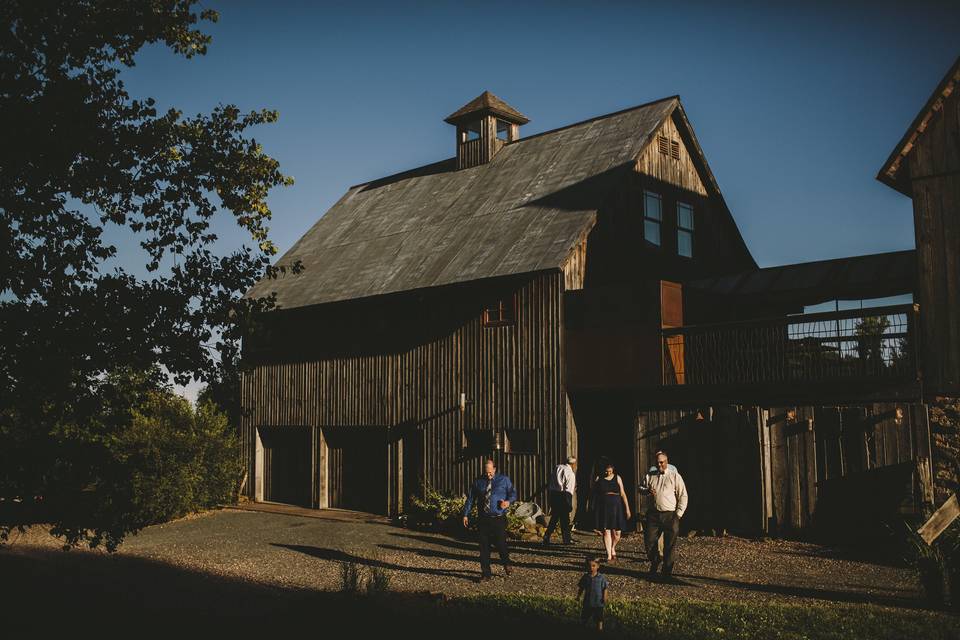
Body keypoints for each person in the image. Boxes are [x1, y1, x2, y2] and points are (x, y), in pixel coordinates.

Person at [463, 458, 517, 581]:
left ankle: (506, 563)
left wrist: (508, 502)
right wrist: (465, 514)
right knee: (484, 547)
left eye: (490, 472)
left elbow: (513, 494)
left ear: (494, 469)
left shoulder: (504, 480)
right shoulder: (478, 482)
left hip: (498, 518)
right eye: (486, 472)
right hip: (483, 519)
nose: (488, 474)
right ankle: (486, 574)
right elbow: (471, 499)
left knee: (501, 544)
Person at [640, 450, 688, 578]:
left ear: (667, 462)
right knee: (649, 542)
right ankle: (655, 561)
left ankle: (666, 572)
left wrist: (678, 514)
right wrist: (647, 490)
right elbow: (641, 488)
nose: (660, 465)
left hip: (670, 514)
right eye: (657, 463)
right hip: (654, 514)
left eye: (662, 462)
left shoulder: (674, 476)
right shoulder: (650, 475)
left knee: (669, 544)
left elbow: (683, 495)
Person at [591, 462, 631, 563]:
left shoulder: (618, 478)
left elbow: (623, 493)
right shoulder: (599, 479)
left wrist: (627, 508)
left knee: (617, 533)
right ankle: (609, 554)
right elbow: (593, 493)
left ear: (613, 469)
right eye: (606, 471)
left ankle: (613, 547)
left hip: (617, 507)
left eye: (610, 471)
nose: (608, 473)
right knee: (606, 531)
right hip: (604, 507)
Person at [543, 456, 577, 546]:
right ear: (573, 464)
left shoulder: (558, 467)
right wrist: (569, 504)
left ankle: (547, 536)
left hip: (554, 494)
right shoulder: (570, 474)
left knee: (554, 518)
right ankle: (566, 539)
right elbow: (568, 490)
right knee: (565, 519)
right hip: (563, 496)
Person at [577, 557, 608, 631]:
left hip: (598, 602)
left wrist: (605, 597)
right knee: (584, 617)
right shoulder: (585, 577)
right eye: (589, 566)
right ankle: (581, 629)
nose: (591, 568)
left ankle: (599, 630)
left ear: (598, 566)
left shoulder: (601, 577)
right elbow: (581, 587)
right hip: (587, 602)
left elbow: (605, 588)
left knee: (599, 619)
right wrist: (578, 596)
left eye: (593, 566)